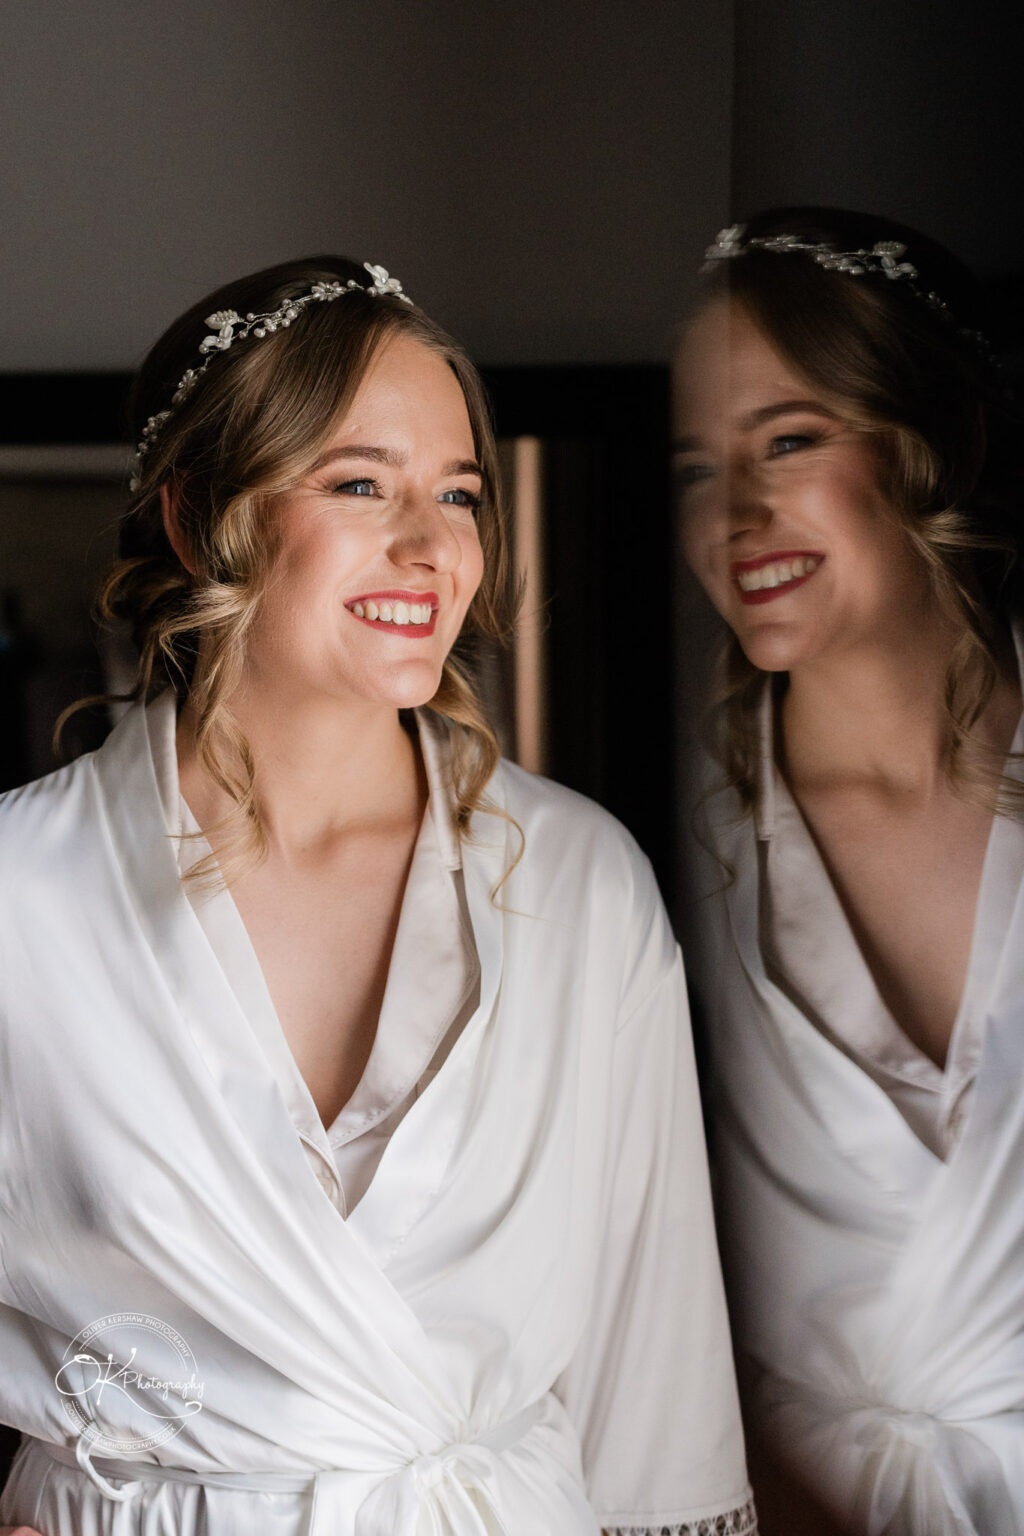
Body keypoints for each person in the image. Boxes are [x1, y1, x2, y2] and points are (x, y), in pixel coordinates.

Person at [0, 255, 754, 1536]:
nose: (432, 545)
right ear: (196, 520)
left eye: (458, 493)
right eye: (360, 484)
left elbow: (656, 1380)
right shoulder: (23, 892)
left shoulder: (579, 883)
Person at [674, 206, 1024, 1536]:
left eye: (790, 440)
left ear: (937, 441)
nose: (736, 514)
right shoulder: (663, 857)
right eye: (696, 468)